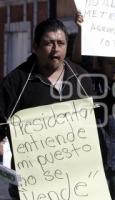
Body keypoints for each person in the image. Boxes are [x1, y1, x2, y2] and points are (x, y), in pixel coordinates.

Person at [0, 18, 95, 200]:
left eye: (60, 43)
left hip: (75, 181)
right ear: (35, 47)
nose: (55, 49)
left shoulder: (81, 78)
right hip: (30, 183)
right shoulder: (16, 81)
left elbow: (93, 126)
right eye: (48, 43)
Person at [72, 12, 115, 200]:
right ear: (100, 63)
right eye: (110, 63)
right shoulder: (90, 79)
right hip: (93, 158)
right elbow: (77, 60)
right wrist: (81, 30)